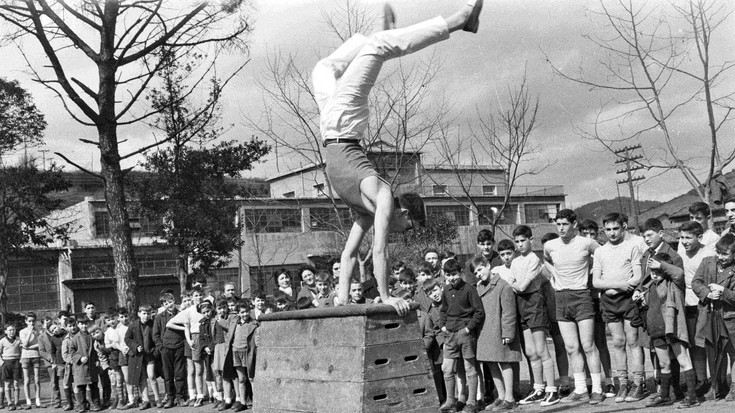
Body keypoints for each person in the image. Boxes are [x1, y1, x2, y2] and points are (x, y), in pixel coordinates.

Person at [314, 0, 483, 315]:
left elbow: (349, 256)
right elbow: (379, 251)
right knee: (379, 47)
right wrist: (386, 295)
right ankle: (458, 22)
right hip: (345, 123)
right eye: (406, 229)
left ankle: (380, 36)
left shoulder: (364, 213)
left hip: (331, 127)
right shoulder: (382, 198)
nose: (399, 234)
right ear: (404, 213)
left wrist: (343, 300)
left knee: (323, 68)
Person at [543, 209, 603, 404]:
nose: (561, 228)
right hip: (561, 297)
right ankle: (580, 389)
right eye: (558, 224)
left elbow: (603, 254)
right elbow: (546, 260)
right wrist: (554, 275)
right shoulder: (550, 245)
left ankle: (597, 389)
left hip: (582, 296)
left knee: (588, 345)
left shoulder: (586, 243)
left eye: (565, 224)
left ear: (574, 224)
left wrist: (597, 275)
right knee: (571, 347)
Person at [592, 213, 645, 403]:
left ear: (623, 228)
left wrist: (622, 286)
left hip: (629, 298)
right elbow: (596, 281)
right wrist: (614, 287)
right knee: (618, 342)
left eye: (616, 229)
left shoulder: (632, 247)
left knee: (633, 341)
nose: (612, 233)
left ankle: (638, 383)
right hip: (609, 301)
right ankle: (623, 383)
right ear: (603, 231)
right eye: (608, 230)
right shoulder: (600, 251)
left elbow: (637, 276)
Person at [635, 249, 698, 408]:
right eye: (652, 271)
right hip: (657, 331)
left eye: (658, 271)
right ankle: (664, 395)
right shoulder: (650, 286)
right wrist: (640, 298)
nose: (654, 274)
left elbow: (678, 272)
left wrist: (661, 265)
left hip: (673, 330)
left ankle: (692, 397)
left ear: (664, 269)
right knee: (664, 364)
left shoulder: (674, 283)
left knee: (684, 361)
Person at [508, 226, 558, 406]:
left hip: (534, 303)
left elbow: (521, 286)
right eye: (517, 241)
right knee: (530, 352)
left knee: (541, 349)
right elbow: (515, 284)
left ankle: (552, 390)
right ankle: (539, 388)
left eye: (523, 240)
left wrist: (513, 282)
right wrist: (514, 283)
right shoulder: (515, 262)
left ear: (531, 240)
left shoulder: (534, 259)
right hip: (521, 305)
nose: (520, 244)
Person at [472, 255, 520, 412]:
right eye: (476, 273)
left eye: (480, 269)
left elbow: (509, 312)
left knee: (504, 362)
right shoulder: (478, 287)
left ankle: (510, 398)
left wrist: (508, 333)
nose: (479, 274)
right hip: (485, 332)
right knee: (491, 363)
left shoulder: (503, 286)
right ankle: (500, 396)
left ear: (487, 265)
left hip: (500, 332)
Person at [692, 233, 735, 402]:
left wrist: (723, 291)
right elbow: (696, 282)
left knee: (733, 352)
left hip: (730, 317)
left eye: (725, 254)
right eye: (718, 252)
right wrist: (707, 294)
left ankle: (733, 389)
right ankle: (717, 386)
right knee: (714, 352)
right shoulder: (707, 262)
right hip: (710, 315)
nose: (720, 257)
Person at [438, 258, 485, 413]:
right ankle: (451, 400)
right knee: (447, 368)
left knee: (469, 368)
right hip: (449, 334)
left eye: (455, 274)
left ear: (461, 273)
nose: (452, 278)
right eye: (449, 275)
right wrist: (443, 326)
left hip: (464, 334)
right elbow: (443, 310)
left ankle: (472, 402)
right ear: (445, 275)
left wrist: (468, 329)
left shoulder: (469, 289)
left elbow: (479, 312)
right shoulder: (445, 289)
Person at [679, 221, 717, 397]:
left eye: (688, 237)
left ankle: (717, 381)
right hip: (687, 303)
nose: (684, 241)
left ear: (700, 237)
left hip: (705, 302)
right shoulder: (681, 252)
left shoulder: (708, 253)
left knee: (708, 343)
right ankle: (701, 379)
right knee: (694, 344)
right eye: (682, 237)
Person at [577, 219, 615, 397]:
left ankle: (609, 381)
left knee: (601, 342)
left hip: (598, 300)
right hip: (582, 302)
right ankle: (591, 381)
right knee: (585, 344)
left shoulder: (602, 251)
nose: (589, 237)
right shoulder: (578, 251)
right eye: (585, 234)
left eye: (592, 234)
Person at [167, 287, 205, 406]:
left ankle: (201, 395)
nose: (198, 298)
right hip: (192, 341)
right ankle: (192, 395)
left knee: (201, 370)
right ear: (192, 298)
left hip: (204, 339)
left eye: (200, 295)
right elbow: (170, 323)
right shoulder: (189, 311)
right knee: (191, 370)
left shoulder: (205, 309)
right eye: (196, 296)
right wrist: (187, 334)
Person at [154, 292, 186, 408]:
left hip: (179, 348)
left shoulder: (181, 314)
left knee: (179, 374)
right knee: (168, 375)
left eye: (171, 301)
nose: (169, 305)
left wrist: (183, 344)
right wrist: (161, 347)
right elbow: (155, 334)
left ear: (174, 301)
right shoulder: (159, 317)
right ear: (163, 305)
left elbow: (186, 329)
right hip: (166, 349)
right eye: (166, 303)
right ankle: (170, 398)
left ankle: (180, 397)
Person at [225, 300, 258, 413]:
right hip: (236, 353)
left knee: (251, 378)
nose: (245, 314)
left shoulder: (253, 324)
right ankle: (243, 402)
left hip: (248, 353)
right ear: (238, 313)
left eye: (247, 312)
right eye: (242, 312)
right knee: (241, 379)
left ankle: (256, 402)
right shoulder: (235, 323)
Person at [124, 305, 159, 410]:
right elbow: (127, 338)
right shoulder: (133, 326)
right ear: (139, 314)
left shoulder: (154, 324)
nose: (146, 316)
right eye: (144, 313)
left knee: (152, 376)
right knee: (142, 378)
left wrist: (156, 352)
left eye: (148, 313)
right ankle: (146, 400)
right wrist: (135, 346)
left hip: (150, 355)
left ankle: (157, 399)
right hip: (138, 356)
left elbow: (157, 338)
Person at [69, 319, 102, 412]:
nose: (83, 326)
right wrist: (79, 358)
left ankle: (95, 404)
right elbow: (71, 351)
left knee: (94, 385)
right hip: (80, 366)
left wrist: (97, 360)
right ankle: (81, 405)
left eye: (85, 324)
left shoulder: (92, 335)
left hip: (92, 365)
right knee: (80, 386)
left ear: (88, 324)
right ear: (78, 325)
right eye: (81, 324)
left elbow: (96, 349)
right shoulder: (76, 338)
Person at [18, 312, 41, 409]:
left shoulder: (39, 331)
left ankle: (37, 400)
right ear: (26, 322)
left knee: (37, 379)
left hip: (35, 356)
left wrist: (29, 347)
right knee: (26, 380)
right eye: (29, 321)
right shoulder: (22, 331)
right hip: (25, 357)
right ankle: (28, 401)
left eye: (33, 321)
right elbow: (25, 343)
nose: (31, 323)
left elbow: (40, 344)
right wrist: (29, 332)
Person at [0, 323, 22, 410]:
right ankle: (9, 403)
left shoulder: (18, 340)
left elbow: (22, 350)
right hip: (6, 363)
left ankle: (17, 402)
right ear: (6, 331)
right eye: (10, 330)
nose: (12, 332)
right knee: (7, 383)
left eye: (13, 330)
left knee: (16, 383)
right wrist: (2, 363)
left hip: (16, 362)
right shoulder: (2, 341)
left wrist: (20, 360)